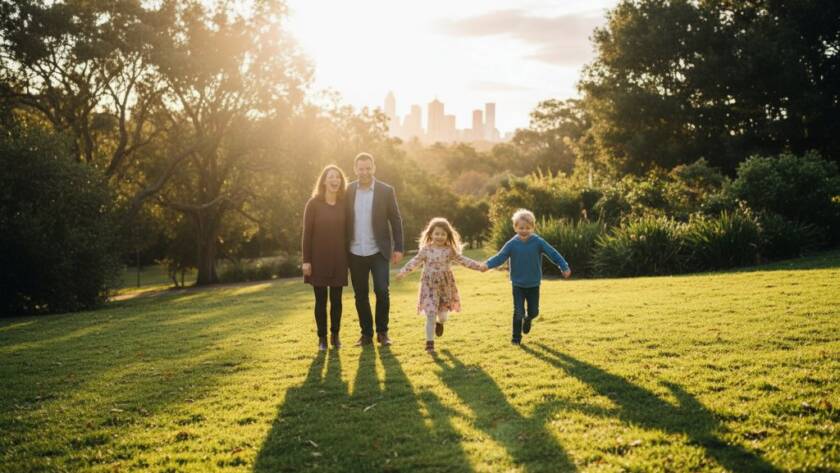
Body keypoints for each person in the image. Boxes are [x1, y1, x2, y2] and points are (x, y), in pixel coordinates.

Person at [396, 218, 485, 354]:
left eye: (443, 234)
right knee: (431, 314)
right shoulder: (426, 249)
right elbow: (415, 261)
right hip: (429, 286)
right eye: (437, 233)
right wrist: (403, 272)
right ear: (431, 234)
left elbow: (463, 260)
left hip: (445, 287)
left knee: (442, 317)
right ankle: (429, 344)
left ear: (448, 236)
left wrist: (478, 266)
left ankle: (440, 323)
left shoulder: (449, 250)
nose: (440, 236)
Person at [484, 208, 571, 345]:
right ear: (515, 227)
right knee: (518, 311)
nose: (524, 230)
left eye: (527, 228)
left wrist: (564, 266)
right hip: (518, 284)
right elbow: (500, 257)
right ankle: (516, 338)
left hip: (533, 284)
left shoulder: (538, 242)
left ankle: (528, 318)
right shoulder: (512, 244)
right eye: (521, 228)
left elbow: (552, 253)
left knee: (534, 311)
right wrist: (487, 265)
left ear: (532, 227)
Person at [345, 152, 404, 347]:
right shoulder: (348, 190)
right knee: (360, 295)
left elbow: (395, 219)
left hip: (379, 251)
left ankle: (382, 333)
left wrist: (399, 247)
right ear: (355, 169)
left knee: (382, 291)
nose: (365, 172)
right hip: (355, 252)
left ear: (374, 168)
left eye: (368, 168)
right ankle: (366, 335)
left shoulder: (386, 190)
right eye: (361, 168)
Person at [302, 165, 349, 351]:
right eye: (331, 176)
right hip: (318, 259)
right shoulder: (313, 204)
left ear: (341, 181)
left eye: (338, 177)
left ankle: (335, 336)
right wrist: (306, 260)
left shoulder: (344, 204)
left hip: (339, 258)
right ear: (323, 181)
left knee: (337, 300)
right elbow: (307, 234)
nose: (335, 180)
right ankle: (321, 338)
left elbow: (348, 232)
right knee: (320, 301)